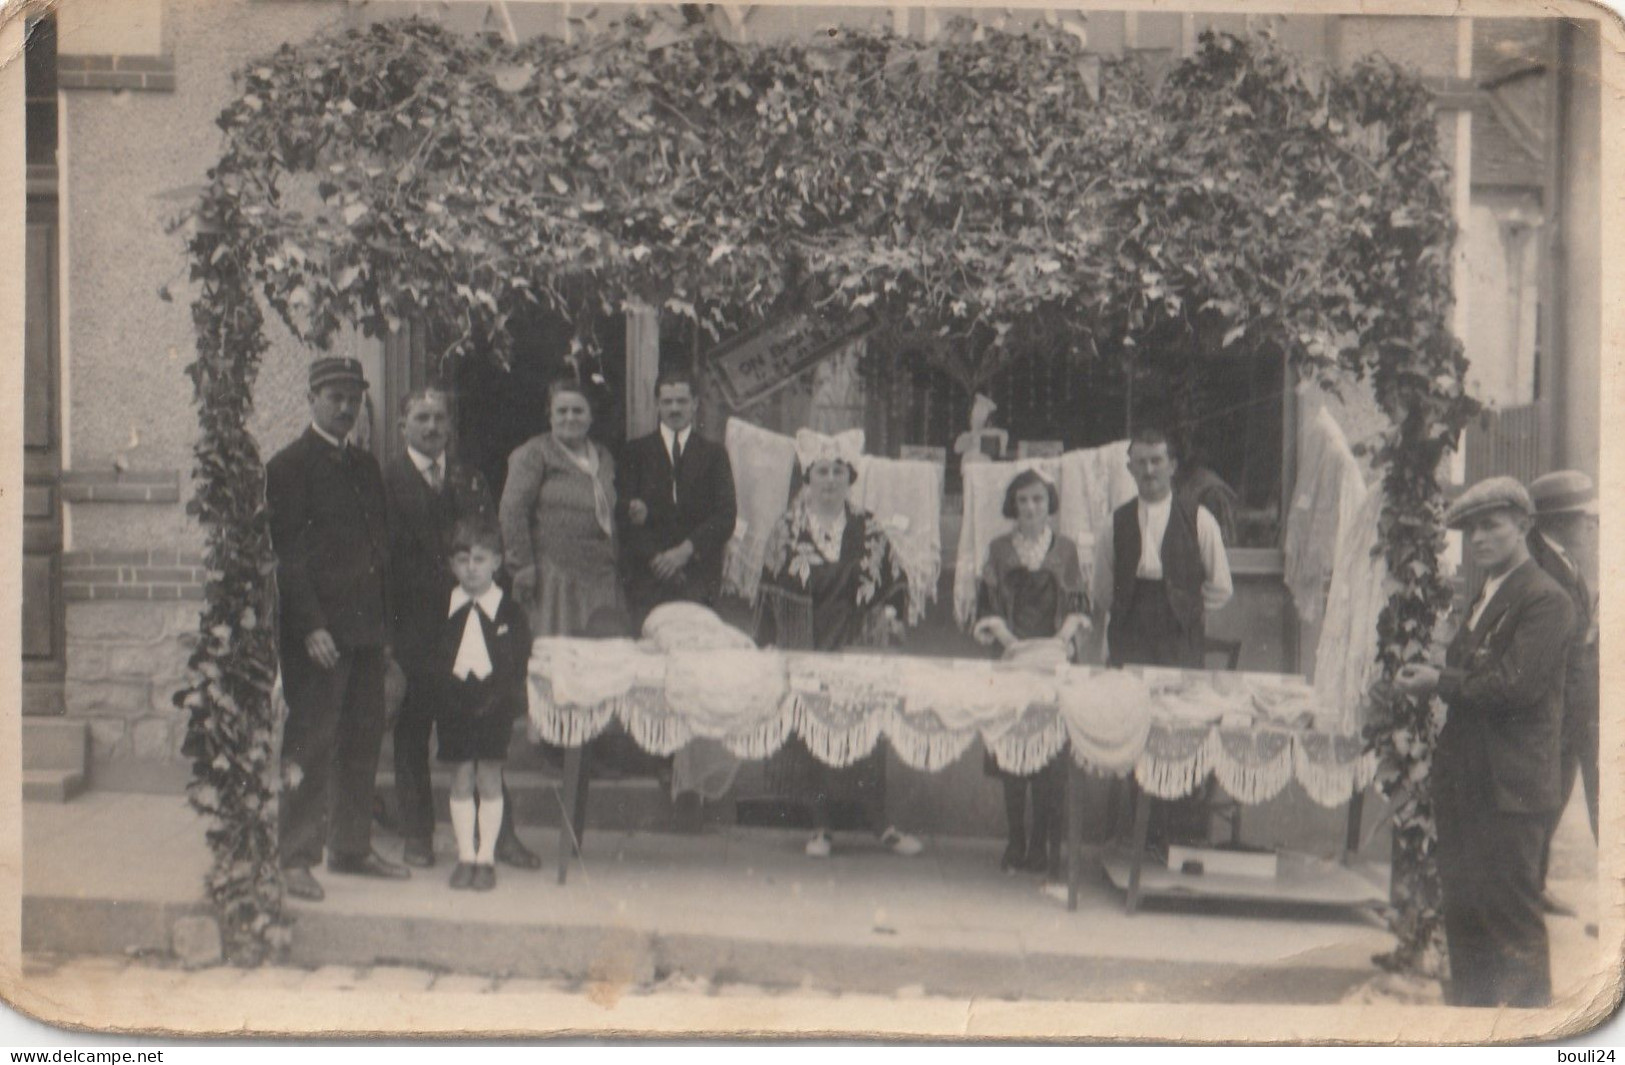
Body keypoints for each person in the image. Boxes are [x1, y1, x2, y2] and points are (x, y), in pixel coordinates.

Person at [1394, 476, 1574, 1008]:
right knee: (1466, 923)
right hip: (1469, 785)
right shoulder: (1486, 594)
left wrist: (1439, 681)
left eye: (1491, 526)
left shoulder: (1546, 599)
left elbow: (1514, 687)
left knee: (1513, 927)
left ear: (1524, 525)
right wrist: (1437, 670)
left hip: (1510, 792)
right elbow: (1477, 672)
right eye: (1471, 530)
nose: (1479, 539)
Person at [266, 357, 408, 902]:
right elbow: (289, 558)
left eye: (354, 397)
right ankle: (294, 856)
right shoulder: (289, 467)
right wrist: (310, 628)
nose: (346, 407)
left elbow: (380, 553)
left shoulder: (366, 467)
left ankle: (351, 847)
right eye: (335, 397)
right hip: (320, 637)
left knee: (362, 742)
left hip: (367, 631)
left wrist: (385, 631)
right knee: (309, 742)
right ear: (312, 398)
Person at [383, 388, 540, 871]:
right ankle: (417, 835)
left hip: (466, 621)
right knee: (412, 731)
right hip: (410, 624)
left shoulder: (468, 478)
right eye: (421, 418)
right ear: (402, 425)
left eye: (439, 419)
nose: (431, 427)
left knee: (481, 728)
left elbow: (489, 543)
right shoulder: (386, 480)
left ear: (450, 425)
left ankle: (501, 835)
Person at [755, 429, 923, 859]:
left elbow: (895, 582)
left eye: (838, 472)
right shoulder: (787, 530)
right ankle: (821, 827)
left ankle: (880, 825)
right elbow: (768, 589)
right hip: (806, 643)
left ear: (850, 478)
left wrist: (888, 616)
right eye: (821, 472)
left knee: (869, 738)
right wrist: (771, 644)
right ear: (808, 478)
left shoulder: (868, 528)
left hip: (856, 644)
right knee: (815, 738)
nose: (830, 480)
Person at [972, 469, 1091, 875]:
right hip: (1014, 657)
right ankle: (1015, 841)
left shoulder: (1067, 550)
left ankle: (1040, 842)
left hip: (1055, 661)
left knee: (1047, 757)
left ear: (1049, 504)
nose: (1030, 508)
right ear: (1012, 505)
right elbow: (986, 604)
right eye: (1022, 500)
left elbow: (1079, 604)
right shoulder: (1000, 549)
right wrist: (1013, 644)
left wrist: (1059, 642)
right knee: (1013, 755)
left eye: (1038, 500)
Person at [430, 518, 533, 892]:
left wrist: (510, 702)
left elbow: (519, 662)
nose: (471, 568)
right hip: (454, 704)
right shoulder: (444, 608)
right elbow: (435, 657)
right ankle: (465, 856)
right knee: (460, 778)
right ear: (452, 565)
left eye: (479, 558)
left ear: (497, 562)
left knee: (489, 777)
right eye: (462, 560)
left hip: (494, 706)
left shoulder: (509, 612)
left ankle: (486, 856)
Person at [1092, 425, 1233, 669]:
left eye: (1156, 461)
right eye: (1141, 463)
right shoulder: (1113, 523)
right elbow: (1102, 589)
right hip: (1129, 634)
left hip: (1178, 637)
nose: (1149, 470)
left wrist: (1187, 608)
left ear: (1172, 466)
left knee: (1178, 701)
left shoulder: (1200, 520)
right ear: (1130, 469)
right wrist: (1127, 609)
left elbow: (1221, 587)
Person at [1524, 470, 1599, 914]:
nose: (1590, 526)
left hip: (1574, 703)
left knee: (1559, 791)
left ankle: (1534, 882)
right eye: (1582, 518)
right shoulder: (1541, 565)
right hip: (1557, 706)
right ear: (1562, 521)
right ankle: (1525, 888)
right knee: (1545, 796)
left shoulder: (1562, 559)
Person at [498, 377, 622, 639]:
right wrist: (522, 568)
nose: (570, 417)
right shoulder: (534, 453)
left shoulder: (604, 456)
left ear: (590, 417)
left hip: (599, 578)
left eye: (578, 411)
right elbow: (512, 511)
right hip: (554, 581)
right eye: (561, 411)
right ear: (550, 416)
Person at [617, 367, 738, 633]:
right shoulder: (635, 453)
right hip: (648, 578)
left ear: (695, 404)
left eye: (681, 401)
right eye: (667, 401)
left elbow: (725, 515)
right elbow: (623, 516)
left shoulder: (714, 455)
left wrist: (685, 551)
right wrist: (657, 559)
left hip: (698, 577)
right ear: (657, 405)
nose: (674, 408)